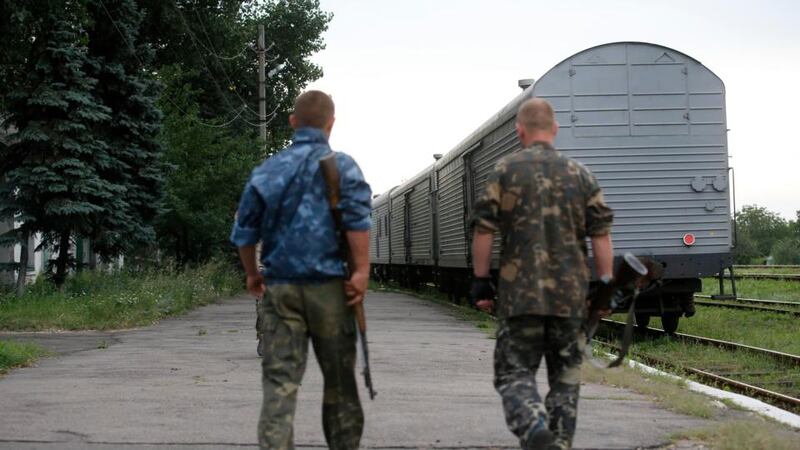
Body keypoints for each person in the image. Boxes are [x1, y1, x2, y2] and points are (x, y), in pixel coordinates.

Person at [230, 90, 372, 450]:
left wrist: (252, 273)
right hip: (331, 291)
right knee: (340, 385)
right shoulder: (344, 167)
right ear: (331, 123)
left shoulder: (267, 170)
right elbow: (357, 222)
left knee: (280, 385)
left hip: (281, 290)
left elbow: (244, 232)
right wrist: (361, 272)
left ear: (293, 122)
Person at [470, 98, 614, 450]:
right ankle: (558, 444)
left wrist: (480, 281)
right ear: (555, 129)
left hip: (521, 298)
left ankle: (534, 428)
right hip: (570, 300)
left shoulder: (504, 171)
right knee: (566, 381)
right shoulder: (581, 175)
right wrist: (606, 286)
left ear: (520, 131)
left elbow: (484, 230)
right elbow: (601, 234)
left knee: (513, 373)